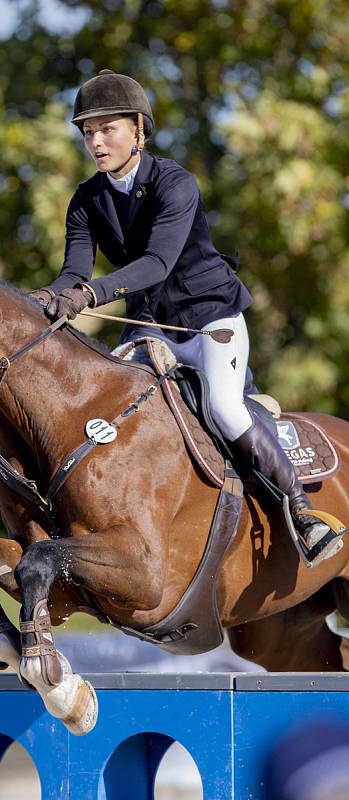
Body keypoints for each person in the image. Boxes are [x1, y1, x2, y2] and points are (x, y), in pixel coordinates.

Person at [31, 69, 343, 564]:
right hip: (149, 326)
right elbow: (74, 270)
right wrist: (44, 299)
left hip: (207, 321)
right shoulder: (86, 201)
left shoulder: (174, 182)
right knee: (103, 412)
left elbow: (157, 263)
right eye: (87, 131)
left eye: (107, 128)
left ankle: (303, 513)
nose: (95, 141)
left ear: (138, 129)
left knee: (223, 405)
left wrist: (90, 295)